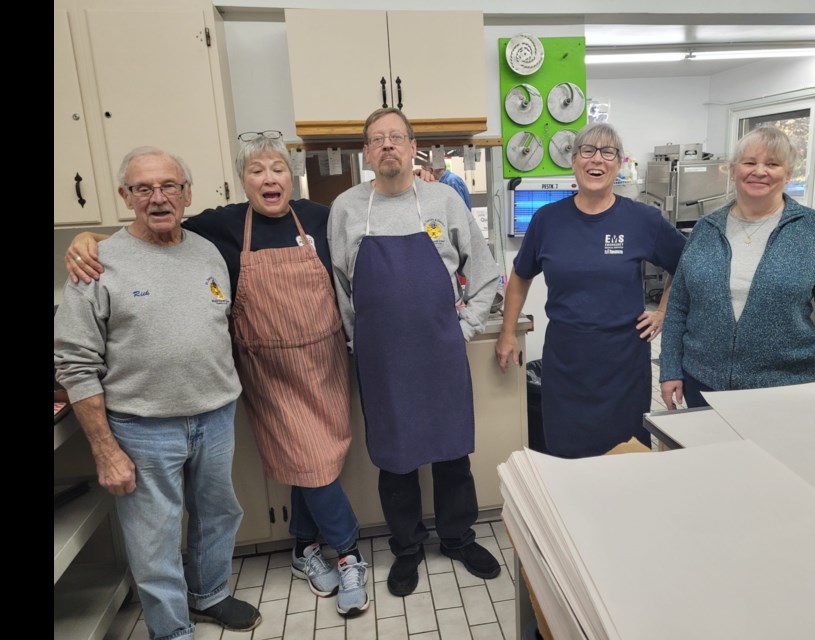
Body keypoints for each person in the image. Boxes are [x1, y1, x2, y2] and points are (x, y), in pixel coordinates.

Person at [64, 132, 369, 616]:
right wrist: (90, 240)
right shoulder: (222, 226)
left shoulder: (318, 218)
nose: (269, 179)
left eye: (277, 169)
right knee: (309, 462)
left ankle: (298, 550)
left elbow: (362, 258)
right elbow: (146, 230)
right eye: (256, 171)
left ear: (292, 176)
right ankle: (349, 551)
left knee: (308, 469)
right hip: (266, 376)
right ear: (242, 181)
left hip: (318, 368)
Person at [54, 147, 262, 639]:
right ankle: (171, 630)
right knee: (154, 538)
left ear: (187, 193)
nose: (158, 197)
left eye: (169, 186)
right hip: (141, 427)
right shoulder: (96, 263)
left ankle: (209, 594)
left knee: (218, 513)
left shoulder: (206, 251)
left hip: (214, 415)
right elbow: (75, 362)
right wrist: (105, 450)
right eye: (143, 188)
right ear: (125, 196)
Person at [327, 107, 501, 597]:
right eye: (377, 139)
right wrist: (358, 342)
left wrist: (466, 327)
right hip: (381, 358)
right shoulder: (345, 209)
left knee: (451, 455)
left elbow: (485, 271)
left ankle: (457, 537)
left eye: (396, 137)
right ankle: (406, 549)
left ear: (411, 146)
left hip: (441, 351)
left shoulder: (444, 201)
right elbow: (341, 288)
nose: (387, 146)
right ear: (366, 152)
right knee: (395, 461)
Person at [659, 125, 815, 409]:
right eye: (749, 162)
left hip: (786, 388)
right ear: (732, 170)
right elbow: (679, 306)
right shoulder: (706, 229)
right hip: (702, 382)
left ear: (788, 174)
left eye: (773, 164)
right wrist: (670, 369)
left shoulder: (813, 229)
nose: (760, 171)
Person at [495, 123, 687, 457]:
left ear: (618, 163)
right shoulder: (547, 220)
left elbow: (685, 263)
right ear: (574, 160)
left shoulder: (643, 220)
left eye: (607, 152)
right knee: (566, 458)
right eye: (587, 150)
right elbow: (521, 276)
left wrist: (663, 311)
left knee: (627, 459)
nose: (596, 159)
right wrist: (508, 332)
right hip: (567, 364)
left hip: (623, 366)